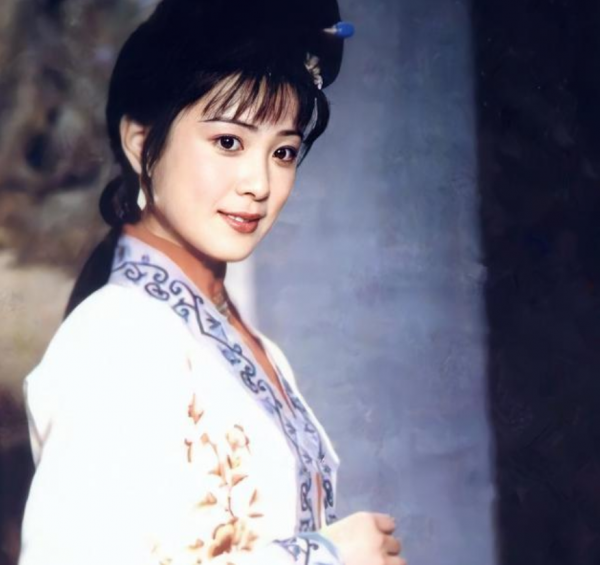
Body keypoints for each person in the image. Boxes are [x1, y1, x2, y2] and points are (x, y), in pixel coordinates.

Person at [18, 1, 406, 564]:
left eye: (283, 152)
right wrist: (325, 556)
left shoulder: (251, 346)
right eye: (228, 142)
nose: (259, 182)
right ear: (140, 142)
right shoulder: (112, 340)